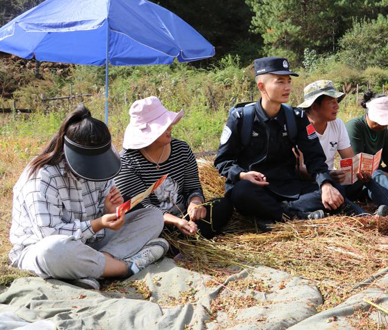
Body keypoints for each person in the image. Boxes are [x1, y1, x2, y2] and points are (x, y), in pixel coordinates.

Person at [9, 105, 167, 291]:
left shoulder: (103, 166)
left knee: (153, 216)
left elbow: (101, 218)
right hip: (44, 249)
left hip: (91, 245)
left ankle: (98, 266)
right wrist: (98, 224)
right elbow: (48, 235)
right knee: (52, 250)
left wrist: (109, 212)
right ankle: (125, 268)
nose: (97, 170)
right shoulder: (43, 177)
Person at [214, 57, 362, 225]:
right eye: (280, 81)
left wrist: (325, 184)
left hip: (289, 188)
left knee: (334, 188)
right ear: (261, 86)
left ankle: (277, 214)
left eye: (289, 81)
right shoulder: (241, 118)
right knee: (241, 193)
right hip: (255, 188)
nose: (287, 87)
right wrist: (241, 174)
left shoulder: (296, 117)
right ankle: (297, 215)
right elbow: (223, 161)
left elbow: (315, 157)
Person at [116, 97, 233, 239]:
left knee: (223, 206)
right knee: (146, 228)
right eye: (163, 126)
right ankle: (173, 241)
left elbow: (192, 187)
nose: (170, 128)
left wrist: (195, 203)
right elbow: (142, 208)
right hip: (155, 223)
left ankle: (183, 237)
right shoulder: (126, 163)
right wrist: (175, 221)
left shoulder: (181, 149)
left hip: (184, 216)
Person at [300, 81, 388, 215]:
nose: (337, 106)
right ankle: (364, 217)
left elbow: (350, 159)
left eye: (337, 101)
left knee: (376, 174)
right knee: (336, 193)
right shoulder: (300, 128)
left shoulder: (337, 124)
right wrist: (327, 176)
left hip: (334, 180)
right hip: (313, 184)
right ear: (314, 106)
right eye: (331, 102)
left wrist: (360, 172)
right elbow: (299, 170)